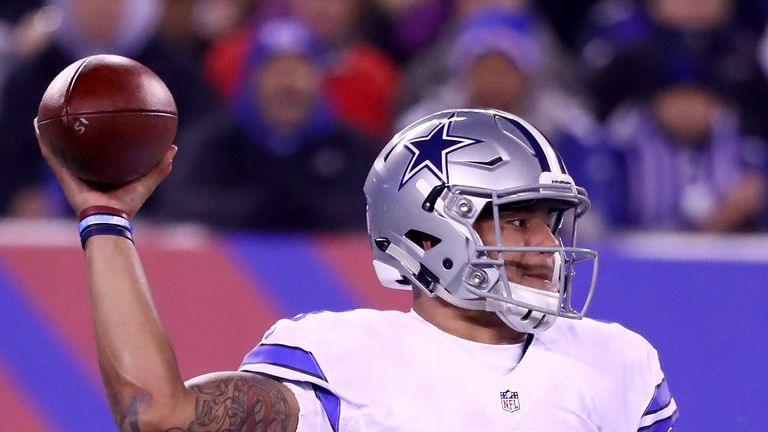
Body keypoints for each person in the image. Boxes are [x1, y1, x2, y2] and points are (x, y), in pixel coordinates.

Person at [35, 108, 678, 430]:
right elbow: (159, 416)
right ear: (428, 228)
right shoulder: (341, 357)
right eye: (513, 219)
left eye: (549, 220)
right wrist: (105, 219)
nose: (544, 245)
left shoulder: (617, 362)